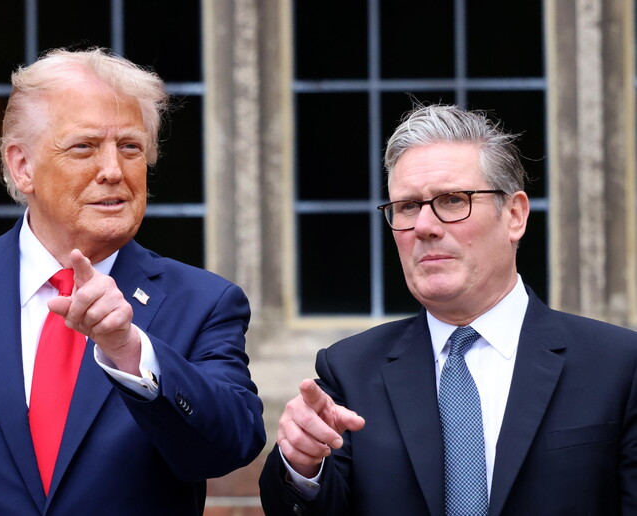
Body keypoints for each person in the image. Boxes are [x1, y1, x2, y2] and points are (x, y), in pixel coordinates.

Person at [0, 48, 265, 515]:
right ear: (22, 167)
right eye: (84, 147)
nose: (113, 170)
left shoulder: (204, 302)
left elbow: (230, 446)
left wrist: (130, 352)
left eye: (130, 147)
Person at [259, 104, 637, 515]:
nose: (424, 226)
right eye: (407, 206)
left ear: (514, 215)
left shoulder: (618, 365)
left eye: (453, 200)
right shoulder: (350, 371)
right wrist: (302, 465)